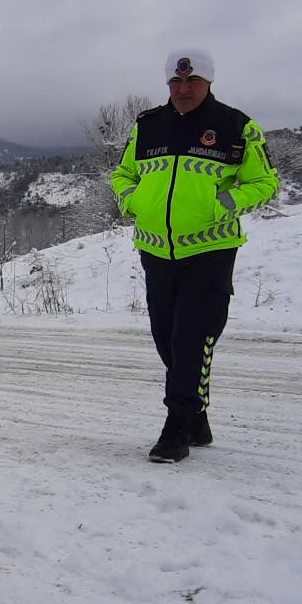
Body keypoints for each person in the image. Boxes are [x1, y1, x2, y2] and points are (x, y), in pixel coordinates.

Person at [110, 48, 280, 463]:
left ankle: (177, 427)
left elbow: (265, 183)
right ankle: (196, 414)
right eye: (176, 82)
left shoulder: (236, 126)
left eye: (192, 82)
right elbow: (123, 173)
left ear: (209, 82)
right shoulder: (147, 125)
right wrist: (132, 201)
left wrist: (225, 202)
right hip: (154, 249)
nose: (184, 89)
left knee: (192, 339)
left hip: (210, 251)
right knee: (167, 340)